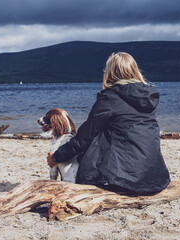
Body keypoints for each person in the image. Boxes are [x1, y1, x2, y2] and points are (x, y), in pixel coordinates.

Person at [47, 52, 170, 193]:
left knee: (96, 134)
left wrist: (57, 157)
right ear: (135, 71)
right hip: (154, 178)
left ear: (110, 73)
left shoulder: (110, 98)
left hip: (124, 180)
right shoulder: (148, 97)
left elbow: (84, 137)